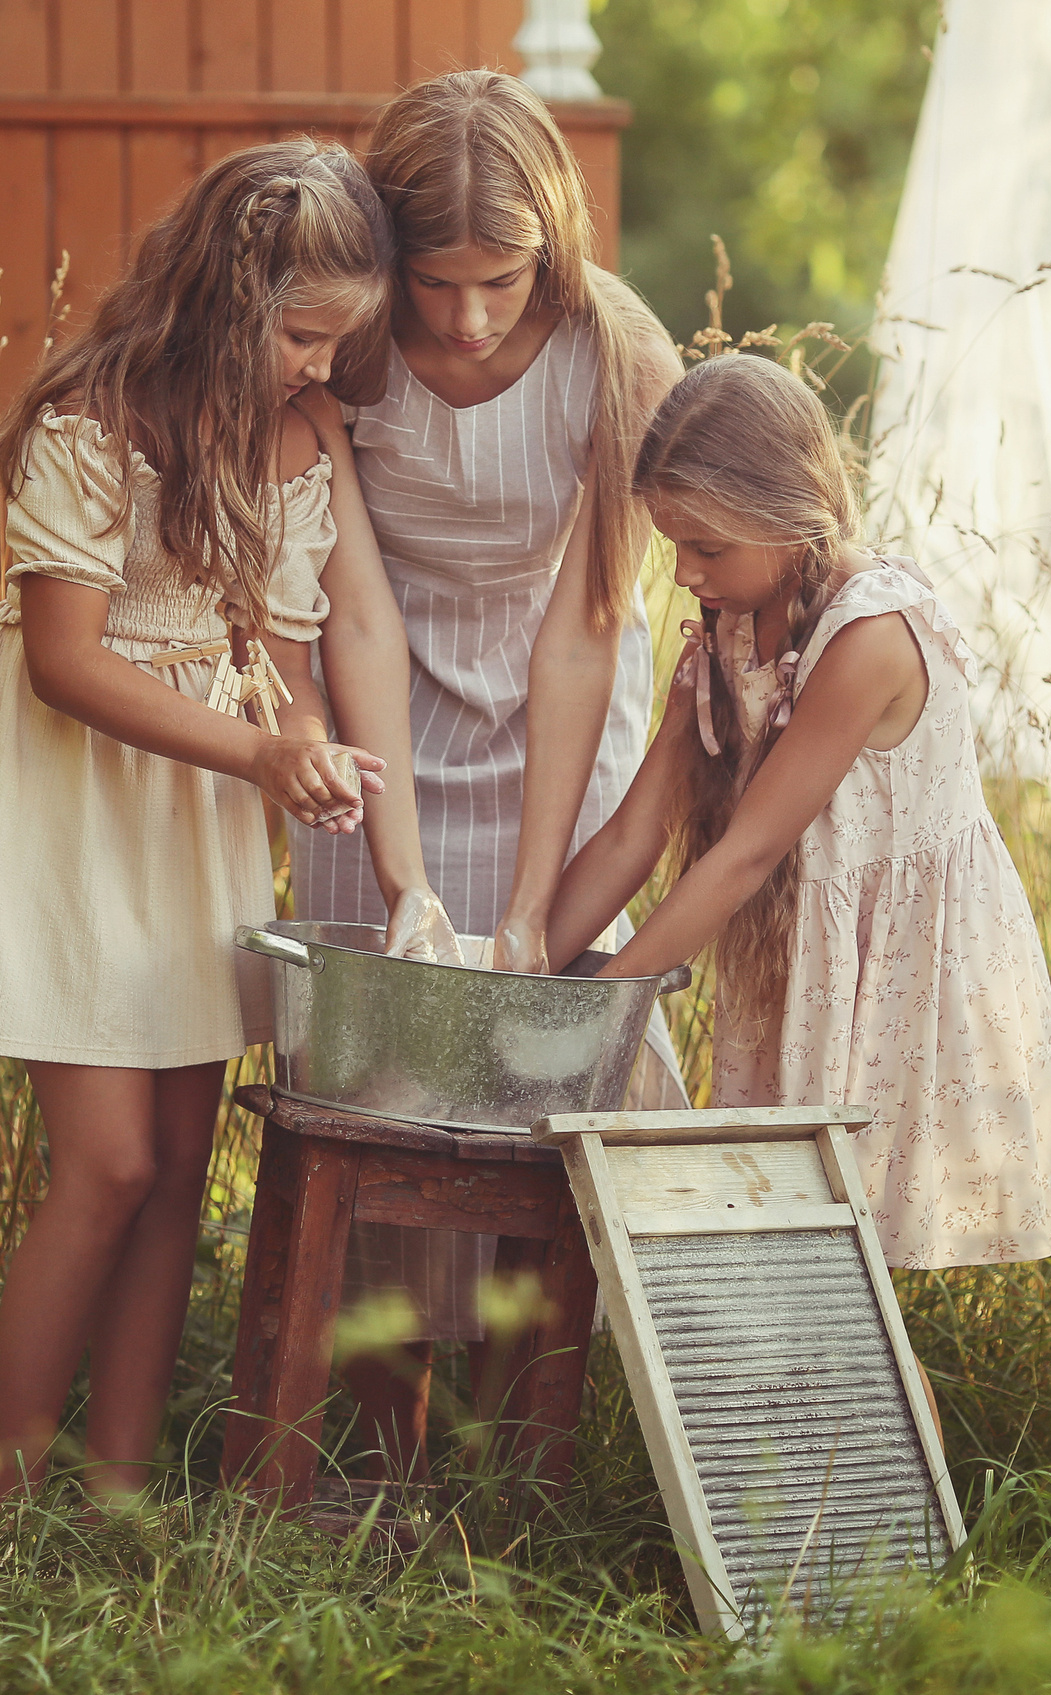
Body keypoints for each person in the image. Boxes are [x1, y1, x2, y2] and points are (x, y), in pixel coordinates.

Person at [0, 137, 450, 1506]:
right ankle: (0, 1501)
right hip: (71, 793)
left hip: (201, 798)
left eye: (344, 338)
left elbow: (289, 645)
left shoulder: (306, 429)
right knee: (108, 1161)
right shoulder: (94, 418)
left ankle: (120, 1489)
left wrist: (309, 746)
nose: (325, 365)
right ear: (230, 292)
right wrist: (265, 750)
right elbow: (66, 661)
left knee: (179, 1170)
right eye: (307, 334)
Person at [286, 70, 687, 1472]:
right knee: (379, 1065)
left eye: (500, 280)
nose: (467, 316)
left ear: (552, 246)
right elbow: (354, 608)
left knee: (541, 1065)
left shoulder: (613, 353)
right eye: (438, 282)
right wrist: (399, 853)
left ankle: (530, 1455)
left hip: (555, 704)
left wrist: (532, 908)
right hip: (379, 702)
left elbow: (590, 627)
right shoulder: (346, 343)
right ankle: (383, 1445)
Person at [550, 354, 1051, 1271]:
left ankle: (875, 1417)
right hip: (810, 966)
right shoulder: (731, 622)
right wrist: (528, 970)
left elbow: (747, 855)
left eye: (706, 547)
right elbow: (638, 828)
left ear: (784, 512)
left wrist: (606, 1005)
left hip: (899, 973)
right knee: (788, 1262)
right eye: (673, 545)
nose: (683, 573)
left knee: (852, 1279)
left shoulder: (870, 636)